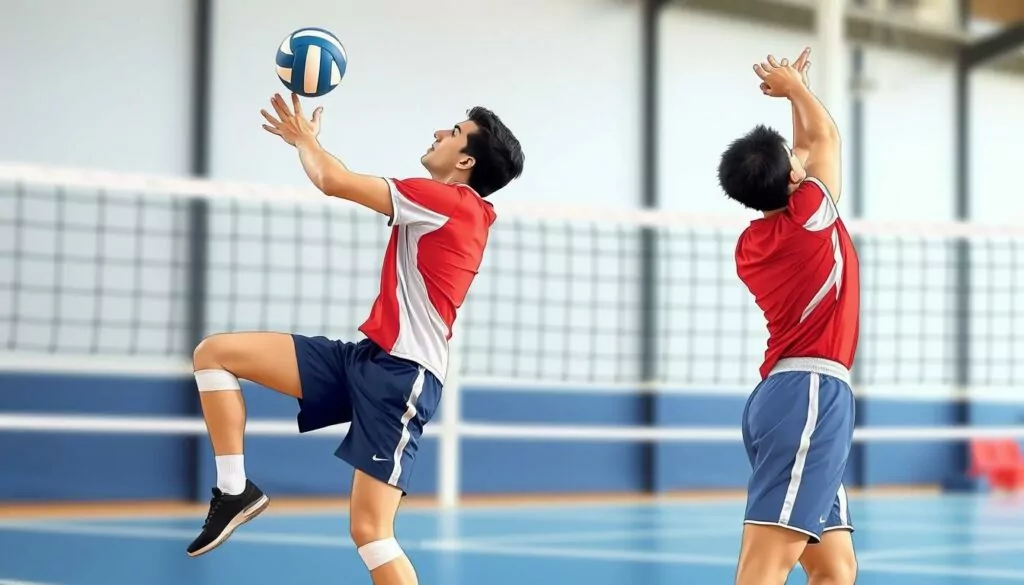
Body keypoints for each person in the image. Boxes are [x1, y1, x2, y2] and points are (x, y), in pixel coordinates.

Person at [185, 92, 524, 585]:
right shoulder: (448, 206)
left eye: (452, 132)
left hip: (403, 377)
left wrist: (306, 140)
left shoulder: (451, 202)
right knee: (214, 354)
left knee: (371, 531)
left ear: (466, 160)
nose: (438, 134)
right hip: (366, 359)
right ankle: (235, 490)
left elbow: (332, 180)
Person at [717, 48, 860, 585]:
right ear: (794, 179)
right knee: (765, 565)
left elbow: (804, 148)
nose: (800, 157)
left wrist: (794, 91)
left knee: (834, 568)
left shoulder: (754, 242)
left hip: (787, 395)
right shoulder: (810, 218)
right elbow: (824, 139)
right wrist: (796, 91)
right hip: (810, 396)